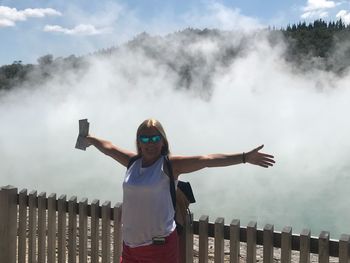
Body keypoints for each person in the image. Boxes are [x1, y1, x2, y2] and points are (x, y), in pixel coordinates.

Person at [81, 118, 275, 263]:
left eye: (155, 138)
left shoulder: (169, 166)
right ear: (138, 141)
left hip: (159, 247)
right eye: (145, 138)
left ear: (163, 142)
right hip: (130, 246)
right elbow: (109, 147)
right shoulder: (132, 162)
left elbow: (206, 160)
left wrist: (243, 157)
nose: (150, 143)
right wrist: (90, 138)